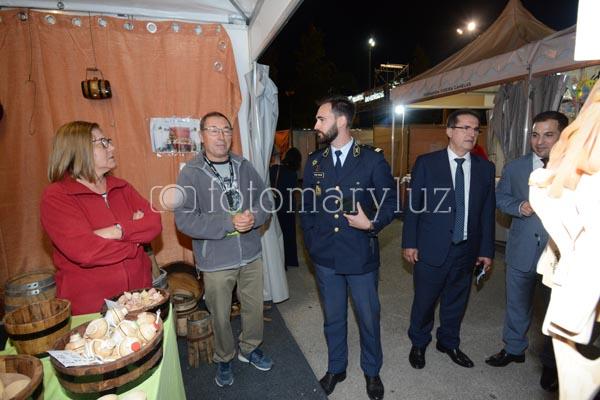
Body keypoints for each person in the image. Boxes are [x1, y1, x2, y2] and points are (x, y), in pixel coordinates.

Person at [300, 96, 397, 400]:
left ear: (341, 121)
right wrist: (312, 244)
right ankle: (336, 367)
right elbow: (307, 208)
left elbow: (391, 203)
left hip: (360, 255)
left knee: (368, 317)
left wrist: (371, 224)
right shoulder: (315, 161)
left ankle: (372, 370)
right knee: (333, 318)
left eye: (321, 119)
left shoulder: (371, 159)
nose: (316, 125)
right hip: (326, 256)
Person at [174, 111, 273, 388]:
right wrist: (228, 222)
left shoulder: (244, 166)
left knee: (253, 307)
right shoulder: (191, 173)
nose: (221, 136)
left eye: (227, 130)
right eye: (214, 130)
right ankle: (224, 356)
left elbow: (265, 200)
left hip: (250, 254)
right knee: (219, 314)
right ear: (202, 136)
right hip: (216, 259)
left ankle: (250, 348)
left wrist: (255, 216)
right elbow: (184, 219)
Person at [402, 109, 495, 370]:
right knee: (425, 300)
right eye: (465, 128)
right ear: (449, 131)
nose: (471, 133)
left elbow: (487, 213)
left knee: (457, 300)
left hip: (467, 248)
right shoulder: (427, 163)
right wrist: (409, 242)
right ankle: (419, 342)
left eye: (475, 129)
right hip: (431, 247)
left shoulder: (485, 168)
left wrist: (486, 250)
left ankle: (449, 342)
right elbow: (414, 206)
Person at [40, 121, 162, 315]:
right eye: (103, 143)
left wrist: (116, 231)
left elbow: (154, 223)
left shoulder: (121, 187)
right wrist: (134, 241)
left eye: (109, 142)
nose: (111, 148)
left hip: (139, 298)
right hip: (92, 308)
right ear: (79, 149)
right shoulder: (57, 196)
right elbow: (85, 251)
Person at [485, 111, 568, 392]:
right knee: (516, 304)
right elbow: (501, 197)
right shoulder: (516, 168)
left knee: (556, 312)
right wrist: (518, 206)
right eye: (535, 135)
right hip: (521, 249)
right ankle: (514, 348)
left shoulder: (576, 170)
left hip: (559, 255)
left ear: (563, 137)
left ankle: (552, 364)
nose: (539, 141)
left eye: (548, 135)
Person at [270, 147, 302, 268]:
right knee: (290, 234)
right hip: (289, 207)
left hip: (276, 206)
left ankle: (280, 263)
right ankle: (291, 260)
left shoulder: (274, 170)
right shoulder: (293, 173)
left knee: (278, 234)